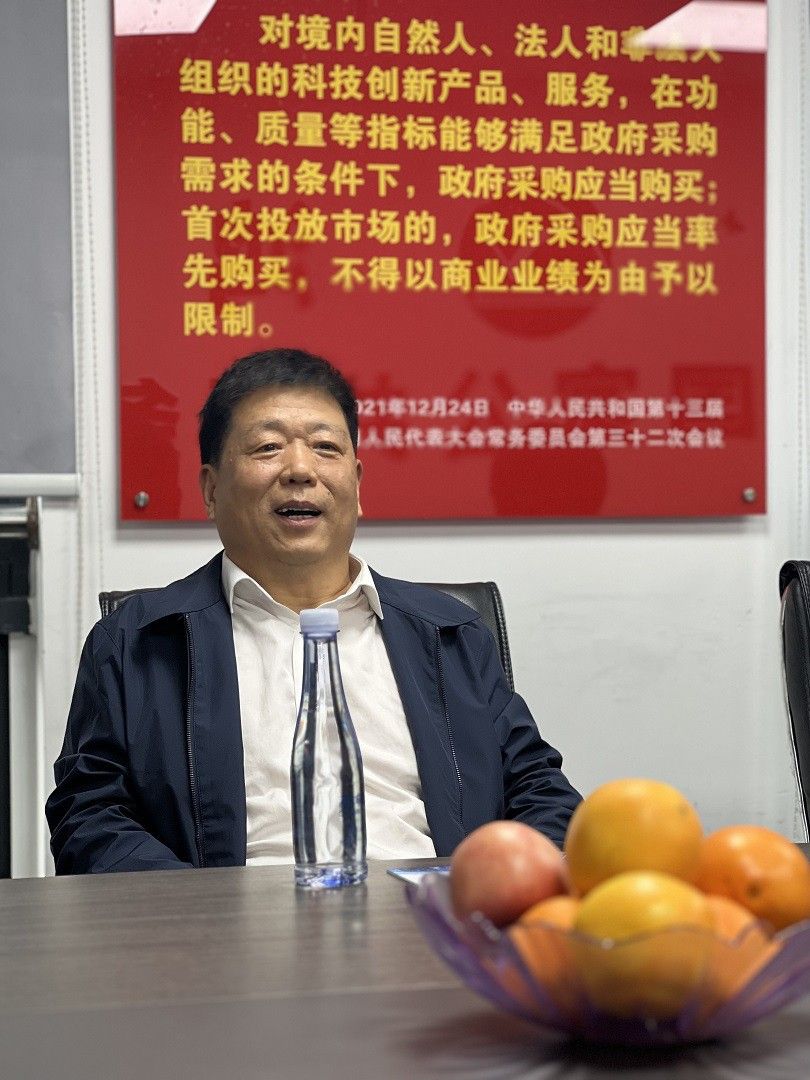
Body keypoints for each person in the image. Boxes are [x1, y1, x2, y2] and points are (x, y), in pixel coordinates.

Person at [46, 348, 581, 873]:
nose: (301, 469)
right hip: (228, 924)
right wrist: (205, 913)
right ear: (211, 489)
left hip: (434, 915)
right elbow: (88, 817)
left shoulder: (451, 634)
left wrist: (490, 892)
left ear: (357, 484)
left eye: (326, 447)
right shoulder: (138, 641)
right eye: (268, 447)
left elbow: (539, 791)